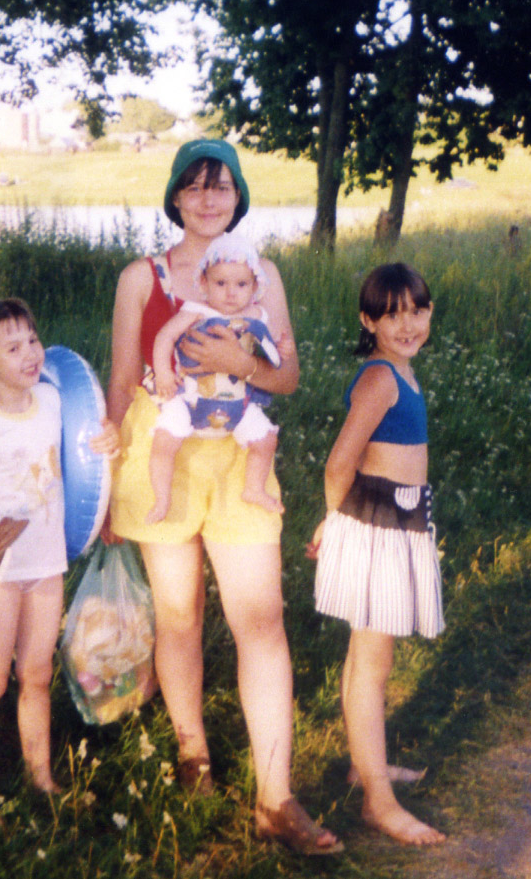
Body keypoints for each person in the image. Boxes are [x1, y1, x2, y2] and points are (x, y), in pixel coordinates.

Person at [105, 138, 341, 855]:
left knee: (261, 620)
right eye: (195, 186)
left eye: (222, 186)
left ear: (238, 197)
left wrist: (241, 361)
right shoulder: (141, 277)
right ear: (175, 197)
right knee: (178, 616)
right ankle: (193, 755)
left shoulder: (262, 274)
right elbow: (121, 381)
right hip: (162, 457)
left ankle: (276, 796)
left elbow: (286, 376)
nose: (208, 198)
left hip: (239, 458)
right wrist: (105, 488)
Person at [0, 298, 119, 816]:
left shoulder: (51, 401)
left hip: (46, 563)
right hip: (1, 571)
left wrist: (107, 444)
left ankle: (40, 777)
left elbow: (83, 453)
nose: (30, 354)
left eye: (33, 340)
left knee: (38, 673)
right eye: (13, 348)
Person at [312, 263, 446, 846]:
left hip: (399, 520)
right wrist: (335, 522)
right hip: (374, 525)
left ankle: (364, 765)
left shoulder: (403, 371)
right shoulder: (380, 379)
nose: (407, 325)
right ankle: (378, 801)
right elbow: (339, 462)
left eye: (417, 311)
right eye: (392, 315)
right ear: (368, 322)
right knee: (373, 663)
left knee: (365, 656)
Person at [149, 231, 283, 520]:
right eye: (220, 283)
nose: (231, 292)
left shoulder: (256, 317)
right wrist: (163, 373)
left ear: (255, 286)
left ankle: (254, 488)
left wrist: (282, 349)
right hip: (189, 396)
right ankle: (161, 498)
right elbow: (164, 337)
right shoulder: (196, 311)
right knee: (163, 440)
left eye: (241, 284)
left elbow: (270, 353)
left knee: (266, 440)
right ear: (204, 283)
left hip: (239, 402)